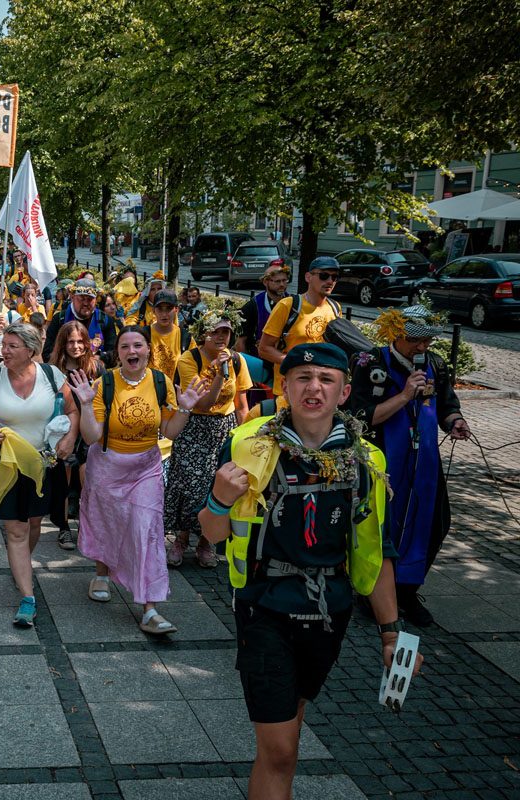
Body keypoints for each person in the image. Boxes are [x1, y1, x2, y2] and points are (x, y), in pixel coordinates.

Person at [198, 343, 417, 800]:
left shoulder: (366, 461)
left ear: (344, 391)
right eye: (303, 377)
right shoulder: (248, 444)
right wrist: (218, 499)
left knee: (289, 734)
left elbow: (376, 553)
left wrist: (391, 634)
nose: (313, 387)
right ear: (285, 386)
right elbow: (214, 534)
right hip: (264, 607)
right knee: (279, 749)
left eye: (326, 379)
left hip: (329, 611)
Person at [68, 326, 206, 635]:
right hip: (107, 467)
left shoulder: (161, 382)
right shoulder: (104, 384)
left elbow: (169, 433)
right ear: (117, 353)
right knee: (109, 522)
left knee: (147, 530)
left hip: (146, 468)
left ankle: (150, 608)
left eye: (138, 345)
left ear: (147, 350)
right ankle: (101, 574)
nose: (132, 351)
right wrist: (87, 404)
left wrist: (185, 407)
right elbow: (91, 436)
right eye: (125, 347)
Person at [349, 305, 471, 627]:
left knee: (435, 523)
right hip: (384, 461)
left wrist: (454, 420)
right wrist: (404, 395)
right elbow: (360, 416)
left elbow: (446, 403)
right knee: (383, 528)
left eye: (427, 340)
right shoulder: (369, 362)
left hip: (425, 462)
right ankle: (371, 591)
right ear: (396, 335)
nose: (422, 347)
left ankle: (407, 591)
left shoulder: (435, 364)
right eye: (415, 340)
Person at [0, 323, 79, 628]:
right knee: (15, 530)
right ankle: (28, 598)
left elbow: (72, 411)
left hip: (44, 465)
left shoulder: (51, 376)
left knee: (33, 523)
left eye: (12, 346)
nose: (4, 351)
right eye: (3, 345)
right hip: (7, 466)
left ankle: (21, 569)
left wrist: (69, 438)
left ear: (30, 350)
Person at [165, 308, 250, 568]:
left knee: (216, 484)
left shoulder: (237, 360)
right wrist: (219, 374)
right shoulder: (188, 360)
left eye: (226, 331)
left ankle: (206, 542)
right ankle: (181, 538)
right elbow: (202, 404)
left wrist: (242, 436)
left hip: (223, 428)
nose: (222, 337)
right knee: (189, 484)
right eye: (216, 331)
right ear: (204, 334)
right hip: (194, 427)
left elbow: (241, 403)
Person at [46, 320, 105, 550]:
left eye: (80, 341)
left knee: (87, 480)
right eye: (71, 341)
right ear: (63, 343)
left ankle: (86, 526)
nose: (76, 346)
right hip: (63, 430)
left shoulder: (96, 367)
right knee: (62, 479)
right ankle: (63, 528)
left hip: (90, 431)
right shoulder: (54, 369)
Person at [258, 257, 341, 408]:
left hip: (320, 392)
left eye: (334, 277)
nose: (330, 281)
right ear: (308, 277)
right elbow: (264, 349)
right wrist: (298, 362)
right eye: (324, 276)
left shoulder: (335, 308)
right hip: (289, 392)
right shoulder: (288, 305)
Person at [43, 278, 118, 366]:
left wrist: (98, 359)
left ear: (96, 300)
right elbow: (47, 354)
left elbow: (113, 355)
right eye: (81, 298)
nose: (86, 303)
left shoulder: (105, 320)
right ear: (72, 297)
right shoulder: (59, 319)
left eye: (90, 299)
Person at [237, 266, 291, 354]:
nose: (282, 284)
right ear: (265, 282)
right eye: (277, 281)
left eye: (284, 280)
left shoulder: (294, 303)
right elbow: (241, 340)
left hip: (286, 359)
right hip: (260, 361)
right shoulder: (254, 305)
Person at [146, 290, 195, 377]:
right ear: (153, 310)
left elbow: (193, 367)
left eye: (168, 308)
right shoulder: (144, 334)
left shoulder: (185, 338)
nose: (164, 314)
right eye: (160, 309)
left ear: (176, 309)